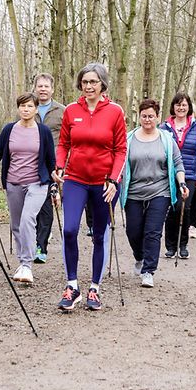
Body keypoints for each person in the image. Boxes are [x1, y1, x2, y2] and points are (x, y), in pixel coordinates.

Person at [53, 62, 127, 312]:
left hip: (104, 183)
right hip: (75, 179)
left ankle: (94, 288)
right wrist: (59, 166)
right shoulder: (71, 110)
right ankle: (72, 286)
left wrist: (114, 180)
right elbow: (63, 143)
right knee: (70, 230)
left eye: (93, 81)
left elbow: (121, 150)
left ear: (102, 84)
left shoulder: (115, 111)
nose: (88, 86)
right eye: (85, 82)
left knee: (98, 235)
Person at [0, 92, 56, 284]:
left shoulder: (43, 132)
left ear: (35, 109)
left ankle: (27, 264)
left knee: (27, 219)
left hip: (37, 183)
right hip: (13, 182)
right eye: (22, 106)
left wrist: (55, 182)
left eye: (30, 106)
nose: (26, 110)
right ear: (18, 108)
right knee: (16, 225)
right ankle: (22, 261)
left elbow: (51, 160)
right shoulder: (9, 130)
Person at [119, 99, 187, 288]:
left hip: (160, 191)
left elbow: (178, 163)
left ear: (157, 117)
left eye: (151, 116)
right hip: (133, 192)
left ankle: (148, 270)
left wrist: (181, 183)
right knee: (133, 231)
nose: (147, 119)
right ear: (139, 117)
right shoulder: (129, 138)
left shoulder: (166, 138)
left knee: (152, 232)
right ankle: (139, 257)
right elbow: (120, 164)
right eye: (144, 116)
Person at [160, 92, 196, 260]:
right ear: (173, 107)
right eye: (178, 105)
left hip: (191, 175)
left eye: (184, 105)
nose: (181, 108)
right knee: (171, 208)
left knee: (183, 207)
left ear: (189, 107)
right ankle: (170, 246)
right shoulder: (164, 128)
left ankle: (183, 245)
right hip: (168, 175)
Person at [31, 73, 66, 263]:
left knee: (45, 204)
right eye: (40, 86)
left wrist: (63, 164)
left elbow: (68, 139)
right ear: (35, 88)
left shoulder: (62, 111)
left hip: (52, 165)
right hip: (30, 164)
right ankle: (37, 236)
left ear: (52, 89)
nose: (43, 89)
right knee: (31, 206)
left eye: (46, 86)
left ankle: (41, 246)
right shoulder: (28, 108)